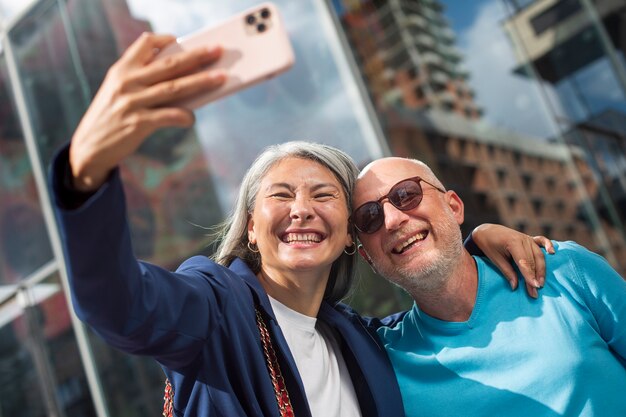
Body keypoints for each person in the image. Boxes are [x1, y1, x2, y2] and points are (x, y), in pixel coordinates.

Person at [52, 33, 550, 417]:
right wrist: (85, 178)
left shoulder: (359, 339)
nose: (301, 209)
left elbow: (436, 293)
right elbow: (119, 304)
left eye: (324, 195)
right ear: (250, 228)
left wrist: (475, 243)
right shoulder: (213, 308)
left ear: (350, 236)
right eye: (281, 195)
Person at [353, 157, 626, 417]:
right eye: (369, 218)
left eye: (406, 194)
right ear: (368, 258)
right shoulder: (381, 360)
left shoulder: (564, 269)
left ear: (454, 207)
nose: (391, 220)